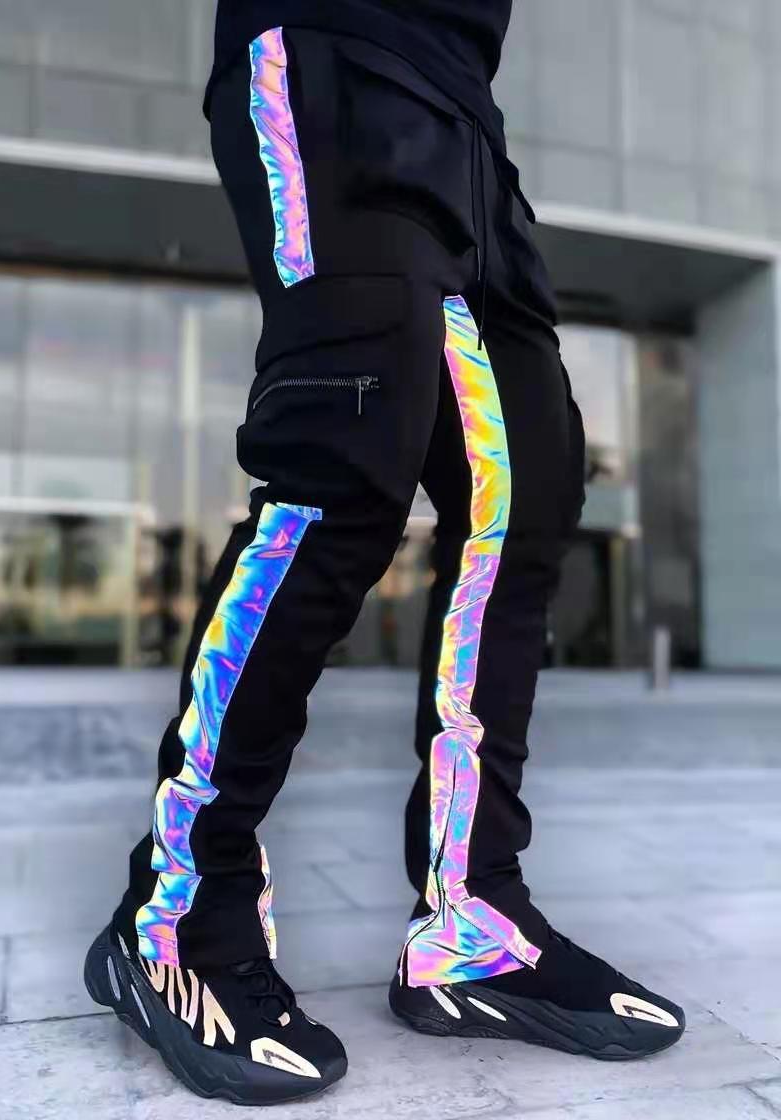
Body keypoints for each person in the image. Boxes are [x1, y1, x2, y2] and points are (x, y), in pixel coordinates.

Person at [84, 0, 685, 1105]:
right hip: (327, 47)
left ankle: (472, 920)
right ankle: (176, 914)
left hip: (464, 112)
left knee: (528, 491)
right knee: (344, 456)